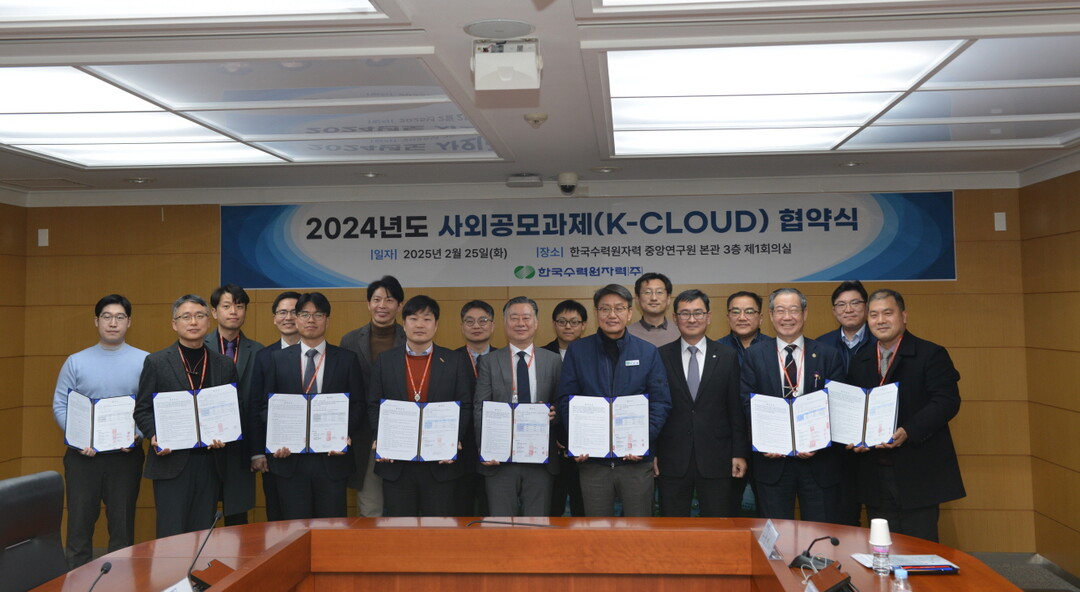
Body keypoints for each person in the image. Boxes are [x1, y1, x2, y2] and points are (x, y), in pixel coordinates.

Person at [846, 289, 965, 542]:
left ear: (904, 316)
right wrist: (853, 436)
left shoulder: (930, 354)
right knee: (881, 544)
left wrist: (909, 430)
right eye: (874, 315)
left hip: (918, 470)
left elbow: (946, 401)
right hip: (874, 472)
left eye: (887, 313)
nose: (880, 320)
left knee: (919, 546)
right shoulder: (861, 360)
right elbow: (854, 407)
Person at [557, 284, 672, 517]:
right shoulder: (578, 351)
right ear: (596, 313)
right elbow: (566, 400)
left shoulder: (647, 352)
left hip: (636, 463)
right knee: (597, 530)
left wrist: (643, 440)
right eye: (605, 308)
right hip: (593, 463)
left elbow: (660, 403)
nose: (612, 314)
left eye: (619, 308)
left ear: (629, 313)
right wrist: (578, 440)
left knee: (638, 530)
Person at [51, 294, 147, 568]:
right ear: (96, 321)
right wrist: (78, 439)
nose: (113, 323)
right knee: (79, 527)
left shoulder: (145, 361)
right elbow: (60, 405)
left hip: (125, 456)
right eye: (107, 317)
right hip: (83, 457)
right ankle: (76, 581)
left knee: (122, 528)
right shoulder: (75, 361)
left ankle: (120, 583)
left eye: (119, 317)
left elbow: (149, 406)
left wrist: (137, 434)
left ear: (129, 322)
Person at [134, 295, 238, 538]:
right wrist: (154, 435)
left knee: (202, 535)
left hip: (210, 462)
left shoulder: (223, 364)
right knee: (171, 534)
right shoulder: (156, 362)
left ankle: (199, 566)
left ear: (208, 321)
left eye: (200, 316)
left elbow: (233, 409)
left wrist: (226, 434)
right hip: (171, 462)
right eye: (186, 317)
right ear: (174, 323)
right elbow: (142, 409)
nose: (193, 322)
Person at [256, 292, 364, 519]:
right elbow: (266, 406)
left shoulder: (347, 359)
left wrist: (344, 435)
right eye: (305, 314)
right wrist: (277, 436)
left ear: (327, 320)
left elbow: (357, 405)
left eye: (318, 314)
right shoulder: (278, 359)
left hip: (332, 459)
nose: (311, 320)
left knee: (331, 530)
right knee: (294, 529)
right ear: (296, 319)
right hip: (290, 460)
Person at [740, 288, 844, 523]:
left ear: (805, 314)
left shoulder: (827, 355)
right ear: (770, 315)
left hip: (818, 461)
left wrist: (818, 442)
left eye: (794, 310)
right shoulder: (754, 355)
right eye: (780, 310)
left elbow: (836, 405)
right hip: (772, 461)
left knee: (819, 532)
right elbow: (747, 402)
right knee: (777, 533)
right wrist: (766, 439)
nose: (787, 317)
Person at [368, 295, 472, 516]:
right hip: (397, 464)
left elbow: (465, 405)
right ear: (404, 324)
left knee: (438, 529)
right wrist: (382, 438)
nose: (420, 325)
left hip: (440, 463)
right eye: (413, 318)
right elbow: (374, 404)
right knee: (401, 527)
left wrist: (454, 440)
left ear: (436, 325)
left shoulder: (454, 361)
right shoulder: (386, 360)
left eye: (427, 319)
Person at [655, 289, 748, 517]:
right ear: (675, 318)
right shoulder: (660, 356)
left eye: (698, 313)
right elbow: (655, 408)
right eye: (684, 313)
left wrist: (739, 453)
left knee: (717, 527)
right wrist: (652, 453)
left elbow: (735, 409)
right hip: (672, 459)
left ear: (708, 317)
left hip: (717, 458)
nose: (692, 319)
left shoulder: (727, 356)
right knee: (672, 527)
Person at [474, 296, 562, 516]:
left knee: (537, 525)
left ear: (536, 323)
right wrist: (485, 448)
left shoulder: (552, 360)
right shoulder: (489, 361)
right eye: (514, 318)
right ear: (504, 323)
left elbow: (562, 403)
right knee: (501, 525)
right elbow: (480, 408)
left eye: (526, 317)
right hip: (500, 460)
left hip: (540, 459)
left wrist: (556, 413)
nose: (520, 323)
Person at [340, 275, 406, 517]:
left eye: (389, 300)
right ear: (368, 304)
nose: (382, 305)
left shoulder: (412, 338)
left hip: (404, 431)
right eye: (377, 299)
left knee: (404, 504)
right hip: (364, 434)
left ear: (400, 306)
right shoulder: (350, 340)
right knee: (370, 505)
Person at [205, 283, 263, 525]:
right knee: (201, 514)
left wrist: (257, 450)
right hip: (205, 447)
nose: (233, 312)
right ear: (214, 312)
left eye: (239, 306)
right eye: (227, 306)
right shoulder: (198, 346)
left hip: (242, 446)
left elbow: (260, 404)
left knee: (237, 518)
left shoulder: (259, 351)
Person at [249, 291, 301, 521]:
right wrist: (258, 451)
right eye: (282, 312)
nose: (288, 317)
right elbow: (256, 405)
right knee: (278, 520)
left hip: (316, 456)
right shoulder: (263, 356)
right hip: (275, 456)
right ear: (274, 318)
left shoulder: (321, 355)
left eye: (294, 312)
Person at [541, 299, 588, 517]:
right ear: (554, 324)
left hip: (586, 445)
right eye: (562, 321)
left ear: (584, 325)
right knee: (553, 507)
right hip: (550, 444)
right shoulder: (541, 355)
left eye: (574, 322)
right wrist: (558, 433)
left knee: (583, 508)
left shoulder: (594, 354)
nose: (568, 326)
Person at [455, 300, 496, 516]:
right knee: (460, 513)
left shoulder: (504, 359)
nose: (476, 326)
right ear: (462, 326)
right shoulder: (449, 360)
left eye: (483, 320)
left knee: (493, 513)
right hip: (460, 451)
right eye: (469, 321)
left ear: (492, 325)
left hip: (495, 451)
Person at [816, 280, 875, 372]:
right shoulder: (822, 344)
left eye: (854, 303)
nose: (848, 310)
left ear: (866, 307)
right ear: (834, 311)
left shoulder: (879, 341)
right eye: (841, 304)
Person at [626, 272, 680, 347]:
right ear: (637, 299)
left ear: (668, 299)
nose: (654, 298)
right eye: (647, 292)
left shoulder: (681, 330)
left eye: (659, 292)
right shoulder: (626, 334)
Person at [717, 291, 771, 366]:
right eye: (736, 312)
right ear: (728, 318)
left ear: (760, 318)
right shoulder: (716, 348)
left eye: (749, 312)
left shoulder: (774, 347)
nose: (742, 318)